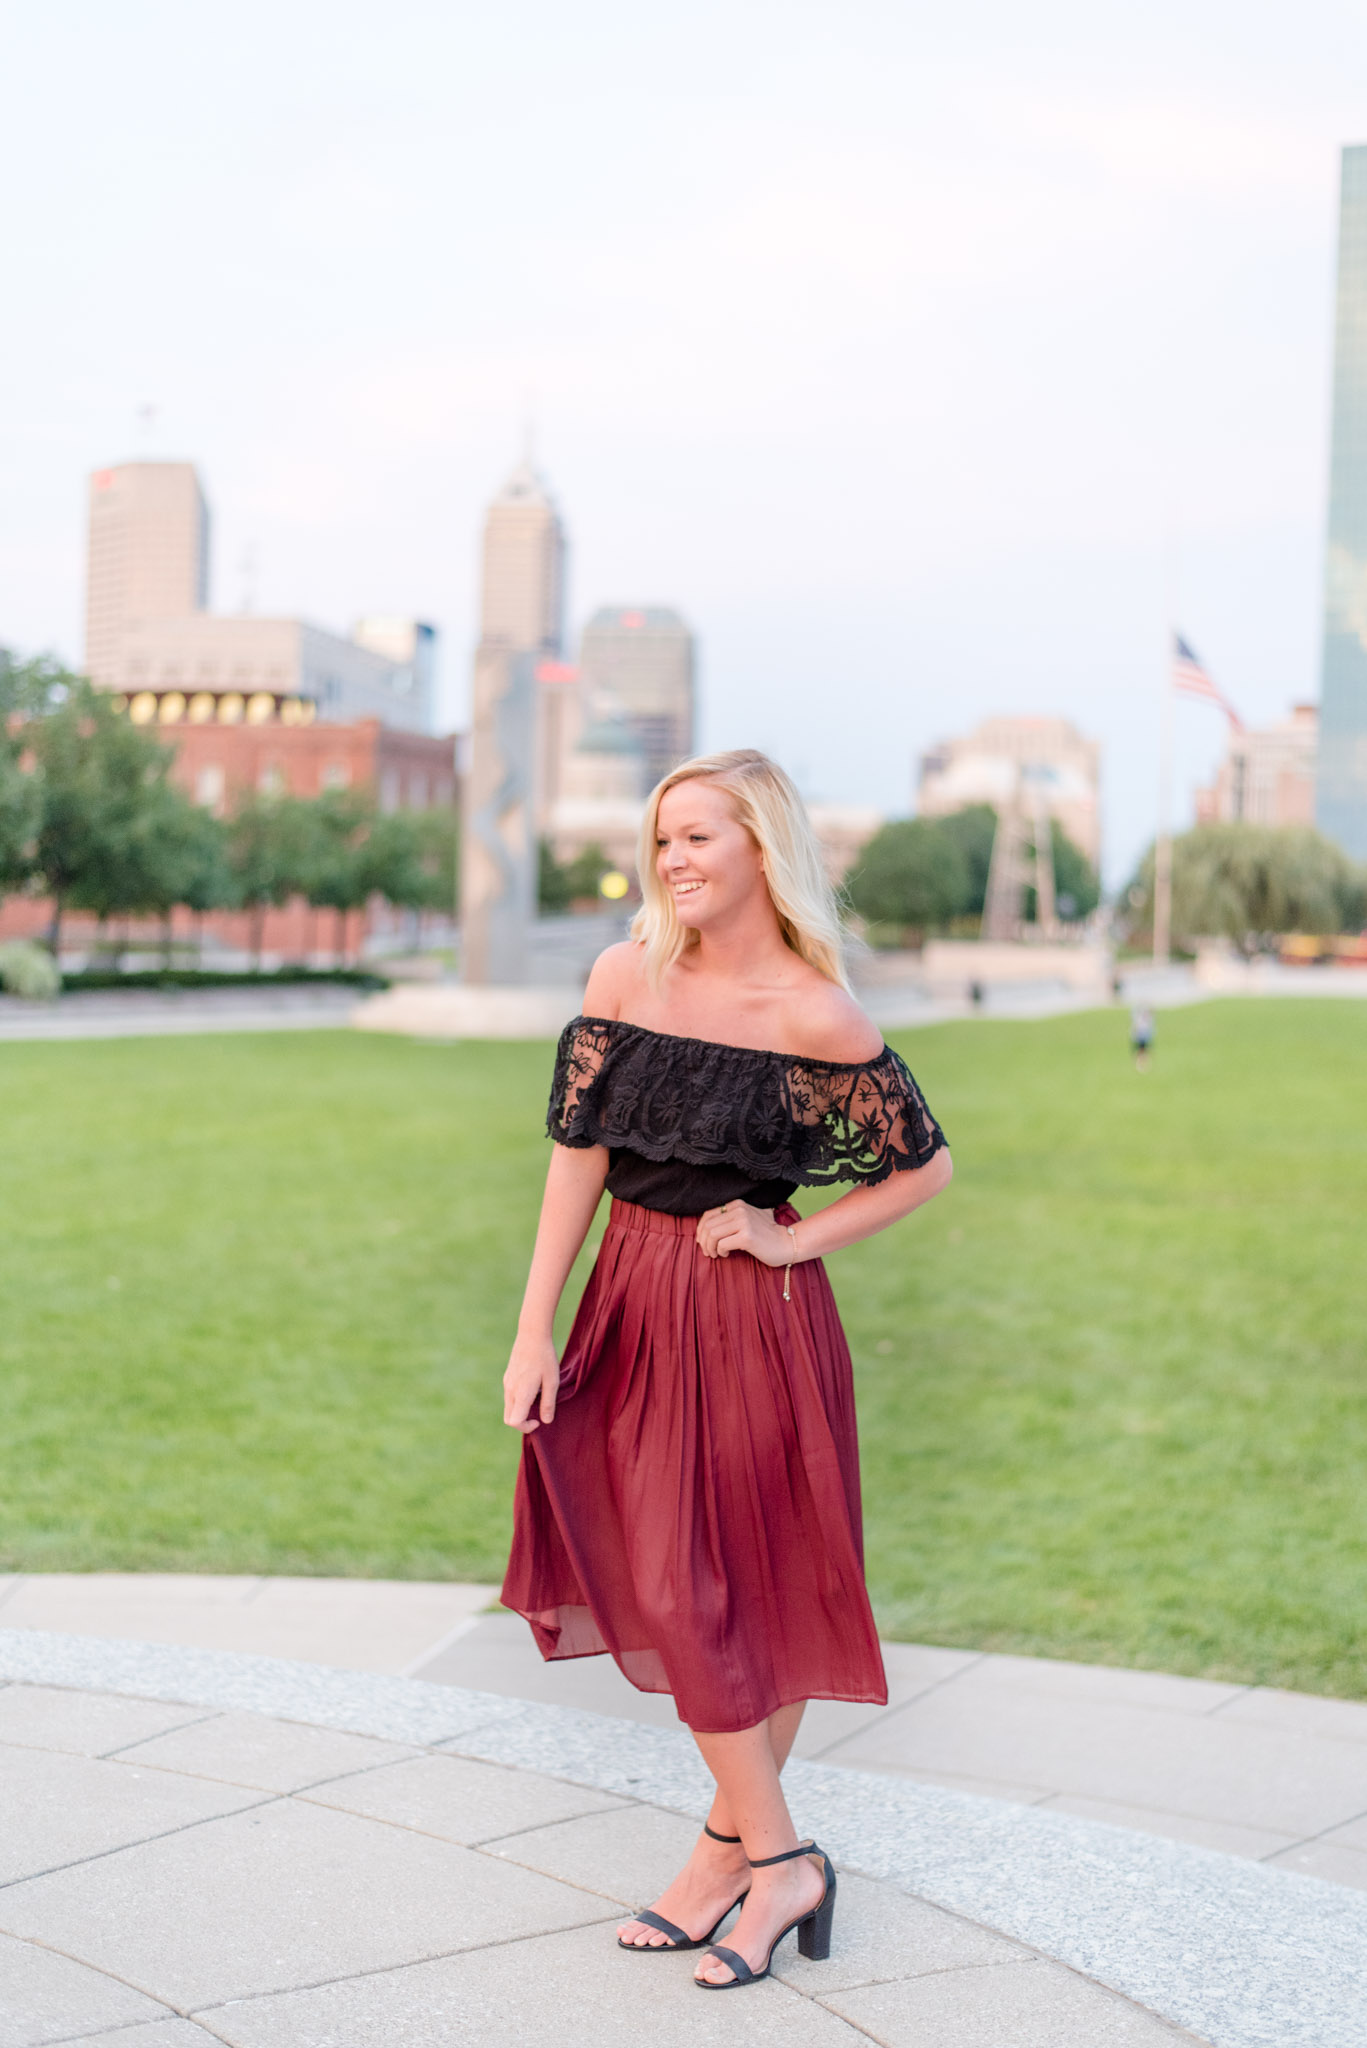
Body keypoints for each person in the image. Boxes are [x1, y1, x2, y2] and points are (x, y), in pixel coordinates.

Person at [500, 749, 953, 1990]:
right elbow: (573, 1162)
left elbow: (920, 1164)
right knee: (660, 1573)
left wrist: (789, 1231)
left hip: (756, 1322)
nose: (674, 860)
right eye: (662, 840)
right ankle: (768, 1855)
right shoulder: (622, 976)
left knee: (743, 1589)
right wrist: (532, 1326)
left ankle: (745, 1862)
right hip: (629, 1303)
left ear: (762, 846)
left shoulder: (814, 1012)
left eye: (698, 836)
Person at [1130, 1004, 1154, 1071]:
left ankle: (1143, 1063)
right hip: (1140, 1036)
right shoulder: (1139, 1018)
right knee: (1140, 1051)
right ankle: (1140, 1064)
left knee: (1144, 1050)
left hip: (1144, 1036)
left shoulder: (1146, 1019)